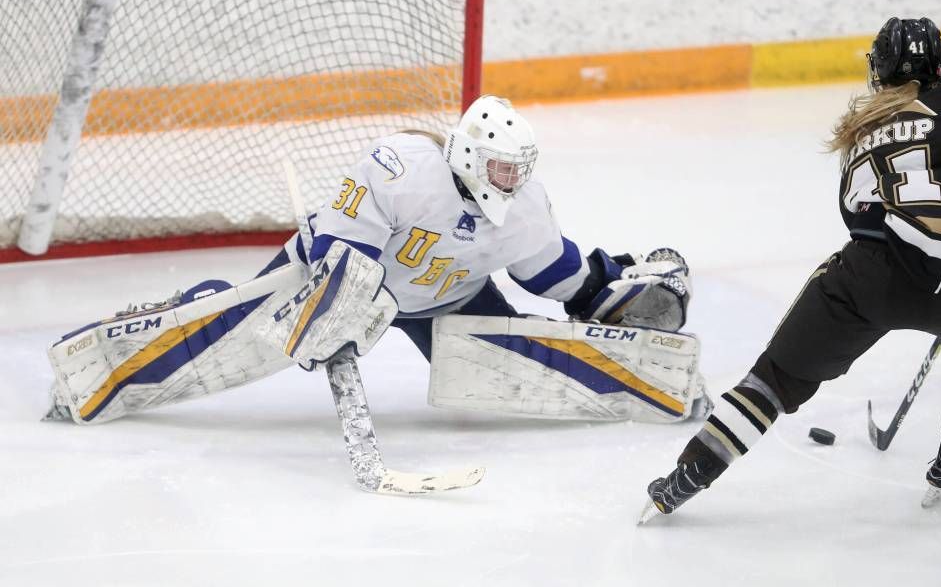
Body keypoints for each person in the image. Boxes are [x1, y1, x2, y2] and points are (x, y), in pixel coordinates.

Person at [46, 95, 708, 428]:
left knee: (517, 362)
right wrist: (329, 311)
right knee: (234, 331)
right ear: (472, 154)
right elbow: (343, 253)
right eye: (501, 167)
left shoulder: (524, 208)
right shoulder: (400, 164)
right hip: (331, 276)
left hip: (446, 300)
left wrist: (602, 295)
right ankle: (151, 335)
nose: (510, 180)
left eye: (520, 169)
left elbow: (559, 277)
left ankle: (643, 380)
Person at [643, 17, 941, 519]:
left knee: (776, 377)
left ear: (877, 70)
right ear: (940, 65)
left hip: (869, 276)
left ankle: (687, 475)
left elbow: (860, 221)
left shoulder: (861, 132)